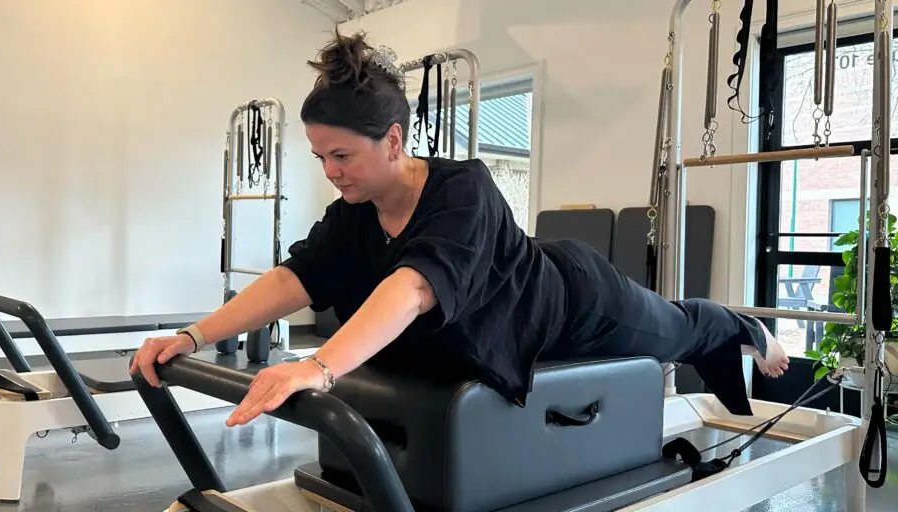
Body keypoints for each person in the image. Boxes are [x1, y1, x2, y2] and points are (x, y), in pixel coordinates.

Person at [130, 29, 789, 428]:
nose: (331, 172)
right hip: (509, 320)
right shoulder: (354, 211)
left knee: (675, 330)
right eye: (320, 158)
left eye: (342, 156)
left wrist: (319, 368)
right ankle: (729, 335)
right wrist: (192, 334)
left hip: (576, 302)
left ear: (392, 140)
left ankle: (741, 327)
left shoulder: (461, 190)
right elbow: (293, 278)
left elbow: (415, 288)